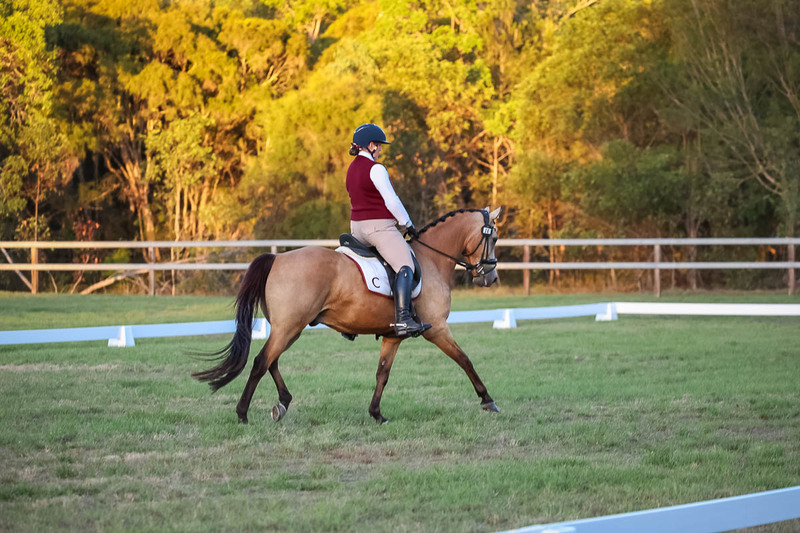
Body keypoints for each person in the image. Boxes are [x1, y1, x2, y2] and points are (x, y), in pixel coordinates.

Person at [345, 123, 431, 337]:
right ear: (371, 145)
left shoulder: (351, 168)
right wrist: (407, 223)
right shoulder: (376, 168)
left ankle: (349, 324)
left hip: (356, 229)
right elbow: (392, 201)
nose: (381, 150)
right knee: (405, 265)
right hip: (378, 228)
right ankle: (403, 320)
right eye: (380, 146)